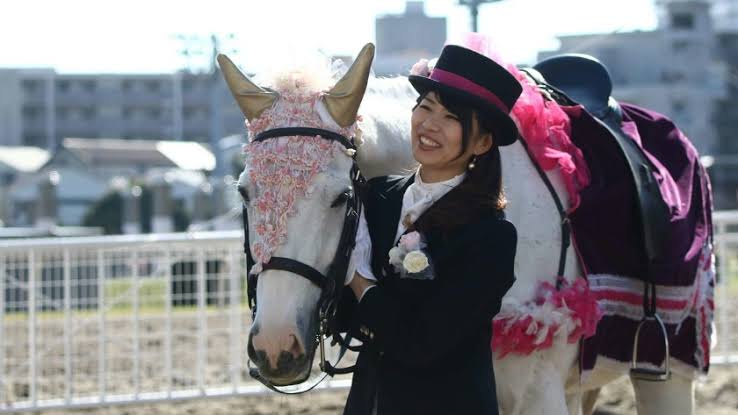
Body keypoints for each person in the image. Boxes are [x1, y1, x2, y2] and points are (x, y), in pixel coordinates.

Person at [338, 44, 523, 415]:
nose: (429, 124)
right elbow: (348, 318)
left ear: (483, 142)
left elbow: (420, 343)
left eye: (451, 117)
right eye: (425, 107)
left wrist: (360, 282)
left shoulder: (491, 236)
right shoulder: (378, 195)